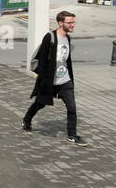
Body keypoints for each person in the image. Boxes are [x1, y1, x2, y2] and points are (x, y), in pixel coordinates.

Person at [23, 10, 87, 146]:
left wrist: (71, 80)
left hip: (65, 80)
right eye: (69, 23)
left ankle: (72, 135)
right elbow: (42, 61)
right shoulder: (50, 37)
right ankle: (27, 120)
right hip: (49, 81)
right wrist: (44, 81)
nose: (72, 25)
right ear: (60, 23)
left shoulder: (68, 39)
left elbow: (67, 61)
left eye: (73, 22)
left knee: (72, 108)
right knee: (40, 103)